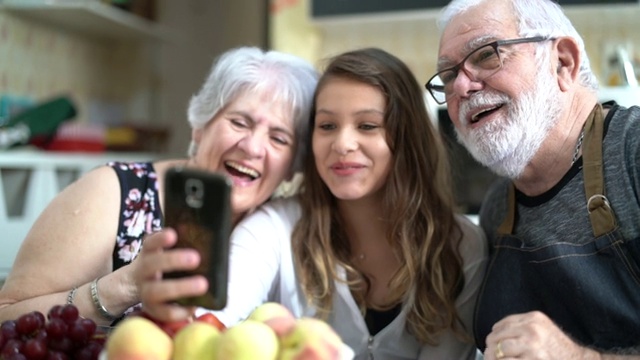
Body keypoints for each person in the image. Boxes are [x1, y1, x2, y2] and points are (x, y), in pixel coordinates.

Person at [139, 47, 487, 359]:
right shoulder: (274, 228)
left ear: (406, 139)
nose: (343, 143)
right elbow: (210, 319)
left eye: (367, 125)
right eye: (327, 125)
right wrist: (180, 312)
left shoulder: (461, 248)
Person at [0, 46, 318, 326]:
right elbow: (6, 318)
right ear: (199, 127)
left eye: (279, 138)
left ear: (293, 167)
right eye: (239, 122)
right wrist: (124, 286)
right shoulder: (111, 193)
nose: (252, 147)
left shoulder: (281, 231)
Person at [425, 0, 640, 358]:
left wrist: (583, 357)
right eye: (448, 76)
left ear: (563, 62)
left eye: (486, 54)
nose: (461, 86)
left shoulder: (632, 153)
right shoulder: (499, 208)